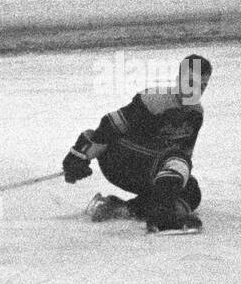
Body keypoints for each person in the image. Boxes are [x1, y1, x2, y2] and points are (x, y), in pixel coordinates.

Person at [61, 55, 210, 234]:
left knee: (191, 193)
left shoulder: (196, 114)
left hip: (152, 167)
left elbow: (184, 158)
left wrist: (172, 186)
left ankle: (120, 208)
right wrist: (79, 156)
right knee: (176, 159)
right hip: (119, 160)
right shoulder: (154, 100)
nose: (196, 91)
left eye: (202, 86)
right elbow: (108, 126)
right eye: (191, 82)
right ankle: (162, 219)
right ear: (179, 79)